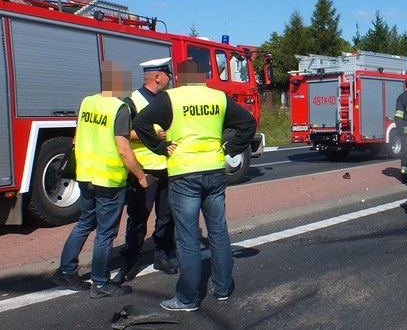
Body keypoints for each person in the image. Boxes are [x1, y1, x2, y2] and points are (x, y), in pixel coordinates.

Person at [134, 60, 257, 312]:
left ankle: (187, 298)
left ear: (179, 76)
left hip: (184, 173)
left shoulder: (170, 98)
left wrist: (159, 148)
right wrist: (231, 149)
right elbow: (248, 123)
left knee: (188, 238)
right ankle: (222, 289)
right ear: (203, 76)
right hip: (214, 170)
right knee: (218, 233)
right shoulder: (218, 98)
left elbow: (141, 124)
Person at [51, 61, 156, 298]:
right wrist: (140, 176)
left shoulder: (87, 102)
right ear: (120, 83)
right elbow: (123, 149)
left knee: (85, 223)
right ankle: (99, 283)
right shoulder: (120, 108)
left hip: (86, 175)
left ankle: (66, 270)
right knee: (106, 232)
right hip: (109, 179)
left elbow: (77, 137)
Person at [117, 57, 177, 282]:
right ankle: (131, 258)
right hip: (143, 169)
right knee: (138, 217)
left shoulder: (168, 99)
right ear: (158, 77)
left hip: (167, 167)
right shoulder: (131, 101)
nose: (170, 79)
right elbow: (123, 133)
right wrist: (150, 134)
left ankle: (162, 254)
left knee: (166, 215)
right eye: (167, 75)